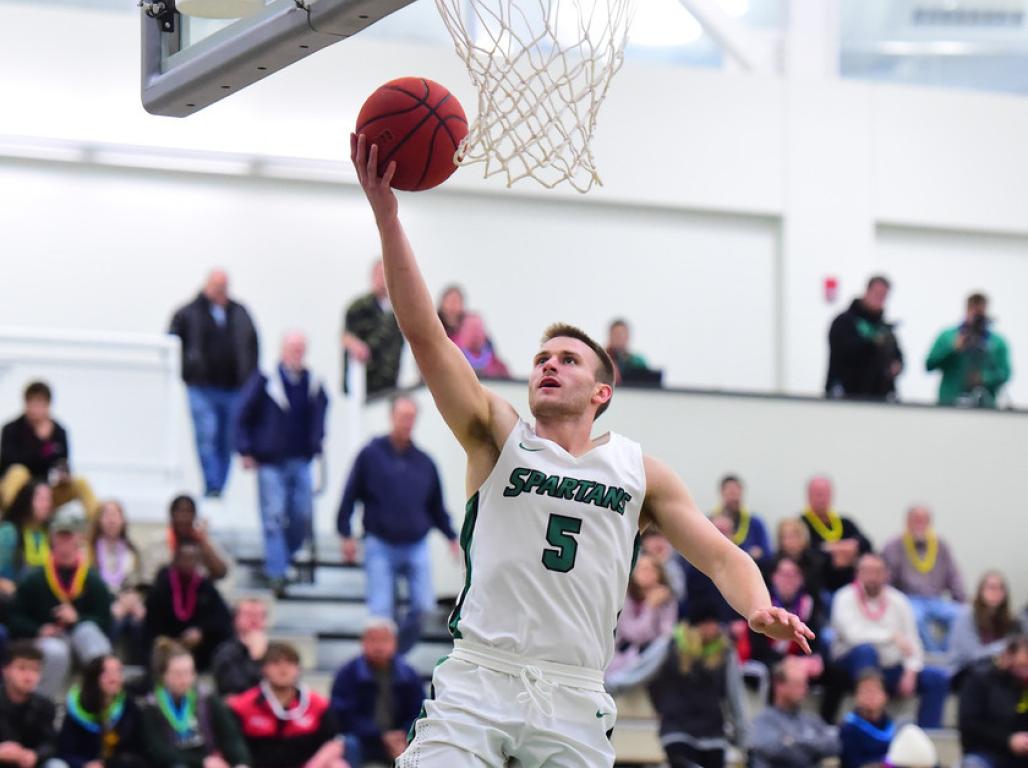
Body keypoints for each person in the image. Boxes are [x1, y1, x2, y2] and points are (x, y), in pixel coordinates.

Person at [350, 131, 812, 767]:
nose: (548, 365)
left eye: (567, 359)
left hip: (574, 694)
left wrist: (760, 607)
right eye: (541, 358)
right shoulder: (496, 431)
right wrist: (388, 217)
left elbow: (723, 557)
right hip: (481, 677)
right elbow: (425, 336)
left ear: (602, 390)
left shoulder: (638, 472)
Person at [337, 395, 458, 654]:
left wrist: (452, 537)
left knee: (425, 607)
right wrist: (345, 533)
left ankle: (394, 655)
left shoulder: (425, 462)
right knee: (380, 613)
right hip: (379, 542)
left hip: (416, 544)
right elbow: (350, 493)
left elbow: (436, 506)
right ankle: (383, 658)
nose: (406, 422)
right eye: (402, 416)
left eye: (411, 417)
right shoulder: (371, 454)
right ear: (391, 417)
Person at [236, 332, 328, 594]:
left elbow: (321, 415)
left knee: (302, 514)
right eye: (292, 348)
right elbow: (243, 414)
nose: (296, 353)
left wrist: (316, 442)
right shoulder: (265, 380)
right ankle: (277, 572)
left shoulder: (313, 383)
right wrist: (246, 449)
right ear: (282, 350)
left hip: (301, 460)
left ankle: (283, 558)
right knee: (273, 516)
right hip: (271, 462)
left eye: (301, 348)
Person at [825, 553, 949, 728]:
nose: (872, 577)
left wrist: (911, 671)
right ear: (858, 573)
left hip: (891, 668)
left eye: (877, 571)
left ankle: (927, 735)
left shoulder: (899, 600)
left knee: (937, 679)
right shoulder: (844, 597)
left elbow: (912, 642)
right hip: (851, 667)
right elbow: (853, 635)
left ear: (886, 575)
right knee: (866, 651)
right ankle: (869, 722)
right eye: (867, 571)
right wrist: (891, 636)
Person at [169, 269, 259, 498]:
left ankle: (219, 487)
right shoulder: (188, 313)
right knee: (206, 435)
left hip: (233, 389)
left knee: (227, 440)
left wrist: (250, 381)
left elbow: (252, 346)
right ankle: (212, 485)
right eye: (216, 286)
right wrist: (188, 368)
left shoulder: (239, 313)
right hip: (201, 387)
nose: (220, 291)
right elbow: (171, 342)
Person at [7, 505, 112, 699]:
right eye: (60, 535)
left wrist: (78, 618)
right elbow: (13, 616)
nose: (64, 542)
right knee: (56, 652)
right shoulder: (35, 578)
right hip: (49, 640)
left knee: (89, 634)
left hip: (79, 638)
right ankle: (42, 707)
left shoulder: (92, 579)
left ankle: (100, 700)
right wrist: (38, 629)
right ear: (52, 538)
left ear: (79, 539)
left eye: (69, 536)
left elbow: (105, 620)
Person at [647, 601, 748, 768]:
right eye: (708, 623)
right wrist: (610, 687)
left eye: (716, 623)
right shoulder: (671, 646)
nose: (714, 628)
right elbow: (640, 672)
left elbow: (735, 698)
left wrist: (743, 739)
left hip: (713, 733)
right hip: (676, 729)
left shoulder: (725, 653)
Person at [228, 642, 346, 768]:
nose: (283, 669)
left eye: (290, 663)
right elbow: (229, 744)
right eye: (275, 663)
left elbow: (334, 743)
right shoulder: (243, 705)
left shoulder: (317, 704)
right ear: (263, 668)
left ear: (298, 669)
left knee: (337, 765)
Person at [330, 618, 424, 768]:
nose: (379, 646)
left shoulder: (409, 674)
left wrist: (403, 734)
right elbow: (344, 714)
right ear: (363, 642)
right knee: (348, 742)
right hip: (363, 740)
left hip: (399, 739)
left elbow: (418, 711)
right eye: (373, 640)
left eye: (384, 640)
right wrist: (381, 735)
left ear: (394, 643)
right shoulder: (347, 673)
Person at [141, 639, 251, 768]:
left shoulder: (207, 698)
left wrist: (241, 762)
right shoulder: (152, 706)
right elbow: (159, 751)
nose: (185, 680)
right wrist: (202, 762)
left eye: (189, 672)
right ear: (163, 676)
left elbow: (231, 738)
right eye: (178, 674)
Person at [0, 381, 98, 519]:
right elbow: (8, 463)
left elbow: (62, 461)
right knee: (18, 472)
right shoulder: (11, 429)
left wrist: (63, 476)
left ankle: (98, 528)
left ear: (48, 406)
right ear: (26, 404)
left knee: (81, 482)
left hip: (46, 492)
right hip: (19, 492)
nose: (36, 409)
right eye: (33, 403)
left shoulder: (59, 431)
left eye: (41, 404)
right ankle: (9, 520)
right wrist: (41, 443)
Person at [882, 505, 966, 652]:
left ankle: (945, 653)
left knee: (962, 616)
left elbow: (954, 576)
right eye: (916, 520)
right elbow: (886, 581)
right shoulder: (894, 545)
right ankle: (932, 656)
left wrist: (961, 600)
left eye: (924, 521)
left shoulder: (941, 545)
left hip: (936, 600)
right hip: (909, 600)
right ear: (907, 523)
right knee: (915, 619)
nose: (920, 524)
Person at [144, 541, 233, 672]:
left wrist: (201, 631)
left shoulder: (205, 587)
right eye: (184, 558)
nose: (188, 563)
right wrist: (169, 641)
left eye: (192, 559)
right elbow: (151, 618)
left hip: (199, 647)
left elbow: (221, 617)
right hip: (167, 642)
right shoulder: (163, 585)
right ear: (175, 560)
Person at [748, 657, 840, 768]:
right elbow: (773, 750)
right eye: (797, 684)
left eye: (805, 684)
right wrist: (812, 746)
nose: (804, 690)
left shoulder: (811, 720)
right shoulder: (764, 721)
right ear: (779, 686)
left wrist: (793, 741)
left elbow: (834, 745)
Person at [58, 654, 145, 768]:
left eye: (118, 672)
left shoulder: (128, 704)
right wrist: (84, 764)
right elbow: (65, 751)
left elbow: (138, 747)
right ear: (94, 677)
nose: (115, 679)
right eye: (107, 673)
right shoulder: (77, 708)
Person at [926, 292, 1012, 408]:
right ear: (966, 310)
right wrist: (953, 348)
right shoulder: (948, 337)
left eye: (980, 311)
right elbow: (929, 364)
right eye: (973, 309)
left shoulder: (997, 343)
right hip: (949, 403)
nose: (976, 315)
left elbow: (1005, 373)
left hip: (986, 405)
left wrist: (983, 377)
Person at [825, 275, 903, 400]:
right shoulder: (844, 322)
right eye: (877, 293)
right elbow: (844, 352)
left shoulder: (884, 329)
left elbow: (897, 358)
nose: (879, 299)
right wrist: (872, 343)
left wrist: (896, 366)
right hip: (846, 396)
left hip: (879, 398)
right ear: (867, 291)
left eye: (883, 296)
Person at [747, 556, 825, 681]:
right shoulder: (764, 604)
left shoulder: (809, 604)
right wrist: (787, 662)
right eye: (784, 574)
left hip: (799, 663)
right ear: (774, 577)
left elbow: (813, 642)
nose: (789, 580)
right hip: (767, 661)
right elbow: (758, 649)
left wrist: (806, 661)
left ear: (801, 579)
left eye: (794, 575)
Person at [605, 553, 677, 685]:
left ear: (659, 574)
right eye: (641, 568)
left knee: (663, 646)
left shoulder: (667, 600)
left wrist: (657, 606)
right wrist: (649, 607)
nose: (645, 573)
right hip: (622, 660)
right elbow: (634, 634)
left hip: (652, 660)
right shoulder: (624, 596)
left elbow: (666, 634)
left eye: (650, 569)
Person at [959, 635, 1028, 768]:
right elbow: (969, 726)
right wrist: (1008, 740)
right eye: (1023, 667)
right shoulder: (980, 679)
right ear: (1007, 656)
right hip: (987, 753)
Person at [88, 501, 145, 663]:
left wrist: (132, 601)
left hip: (127, 600)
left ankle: (139, 668)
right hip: (101, 601)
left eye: (116, 515)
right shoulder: (89, 550)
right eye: (107, 515)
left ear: (123, 520)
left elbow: (137, 583)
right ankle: (106, 665)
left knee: (138, 620)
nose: (111, 520)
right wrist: (114, 604)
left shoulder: (131, 551)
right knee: (113, 618)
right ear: (99, 520)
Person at [341, 260, 404, 397]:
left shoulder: (399, 310)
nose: (384, 278)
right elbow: (346, 337)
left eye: (387, 274)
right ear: (372, 276)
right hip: (364, 386)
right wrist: (356, 346)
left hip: (390, 385)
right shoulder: (358, 307)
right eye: (380, 274)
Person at [800, 476, 872, 595]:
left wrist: (847, 547)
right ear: (808, 496)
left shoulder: (845, 522)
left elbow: (866, 543)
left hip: (850, 587)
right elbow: (807, 551)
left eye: (825, 494)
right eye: (817, 494)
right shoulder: (801, 524)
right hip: (819, 589)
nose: (821, 498)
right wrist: (838, 553)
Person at [0, 641, 66, 768]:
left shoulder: (45, 705)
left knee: (56, 765)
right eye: (22, 668)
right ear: (5, 670)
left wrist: (36, 755)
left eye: (35, 670)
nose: (29, 676)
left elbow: (50, 743)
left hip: (30, 764)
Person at [950, 571, 1022, 687]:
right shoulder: (966, 616)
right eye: (991, 587)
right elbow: (973, 655)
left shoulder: (1008, 619)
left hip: (993, 669)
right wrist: (1003, 646)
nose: (996, 592)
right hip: (964, 672)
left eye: (1000, 588)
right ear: (981, 590)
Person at [143, 494, 229, 583]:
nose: (183, 517)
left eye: (188, 512)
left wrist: (203, 542)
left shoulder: (203, 541)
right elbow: (148, 578)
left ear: (195, 515)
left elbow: (221, 572)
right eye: (179, 512)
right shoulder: (158, 541)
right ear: (171, 514)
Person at [0, 481, 56, 607]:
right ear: (27, 500)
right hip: (12, 600)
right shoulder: (8, 532)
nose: (47, 504)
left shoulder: (50, 534)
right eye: (41, 499)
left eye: (49, 499)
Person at [211, 599, 269, 696]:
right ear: (235, 619)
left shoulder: (275, 651)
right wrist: (255, 659)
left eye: (259, 615)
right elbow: (235, 688)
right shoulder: (225, 652)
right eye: (248, 614)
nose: (254, 619)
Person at [839, 670, 895, 768]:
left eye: (875, 690)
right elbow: (851, 763)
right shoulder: (849, 728)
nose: (870, 696)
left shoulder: (892, 726)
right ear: (856, 696)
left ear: (885, 696)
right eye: (865, 691)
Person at [714, 475, 772, 565]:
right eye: (730, 493)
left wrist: (759, 553)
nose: (734, 498)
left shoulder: (755, 523)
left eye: (736, 493)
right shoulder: (711, 522)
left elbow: (767, 553)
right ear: (722, 493)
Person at [774, 518, 826, 607]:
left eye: (794, 536)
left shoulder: (815, 561)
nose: (790, 541)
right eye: (785, 537)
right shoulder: (773, 562)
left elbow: (815, 592)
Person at [454, 313, 511, 379]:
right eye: (471, 328)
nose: (475, 334)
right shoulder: (453, 357)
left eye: (478, 328)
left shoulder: (497, 365)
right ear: (462, 332)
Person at [605, 319, 651, 384]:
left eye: (622, 334)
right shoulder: (603, 360)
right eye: (616, 334)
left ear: (628, 336)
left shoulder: (638, 361)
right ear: (610, 336)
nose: (619, 338)